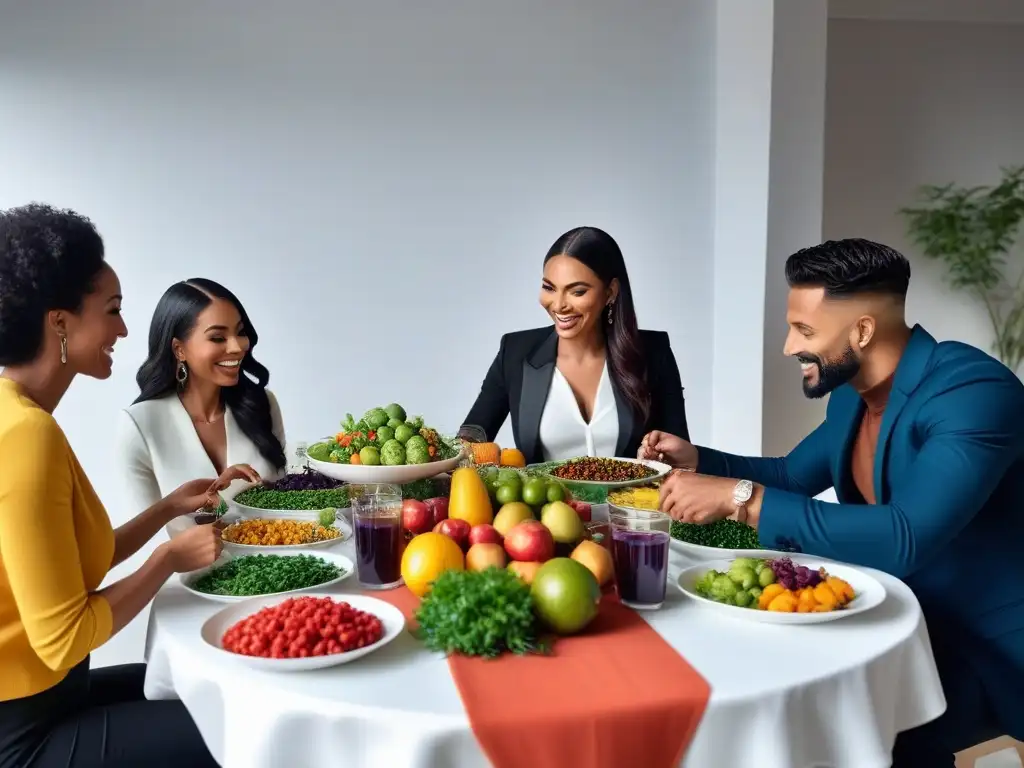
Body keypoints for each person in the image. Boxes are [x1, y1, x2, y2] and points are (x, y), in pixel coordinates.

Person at [642, 238, 1024, 765]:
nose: (786, 346)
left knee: (852, 730)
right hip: (905, 626)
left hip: (991, 647)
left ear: (862, 331)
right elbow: (789, 475)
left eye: (804, 330)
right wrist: (697, 460)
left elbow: (903, 535)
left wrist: (741, 500)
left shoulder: (974, 391)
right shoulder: (852, 397)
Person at [0, 203, 240, 767]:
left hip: (54, 697)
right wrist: (167, 560)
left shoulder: (20, 418)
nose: (125, 330)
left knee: (217, 684)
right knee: (234, 730)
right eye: (112, 311)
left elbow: (80, 560)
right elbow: (63, 637)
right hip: (25, 732)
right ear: (59, 321)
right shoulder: (24, 436)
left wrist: (165, 510)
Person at [460, 226, 689, 463]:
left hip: (633, 500)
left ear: (610, 292)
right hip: (544, 501)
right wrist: (459, 450)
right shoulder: (515, 352)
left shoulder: (654, 353)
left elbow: (681, 458)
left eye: (577, 292)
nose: (559, 305)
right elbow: (474, 435)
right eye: (549, 288)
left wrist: (657, 455)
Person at [115, 278, 287, 537]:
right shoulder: (140, 426)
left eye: (240, 332)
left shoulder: (262, 405)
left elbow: (286, 512)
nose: (237, 346)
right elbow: (142, 541)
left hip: (278, 571)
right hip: (182, 578)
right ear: (179, 349)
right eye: (218, 337)